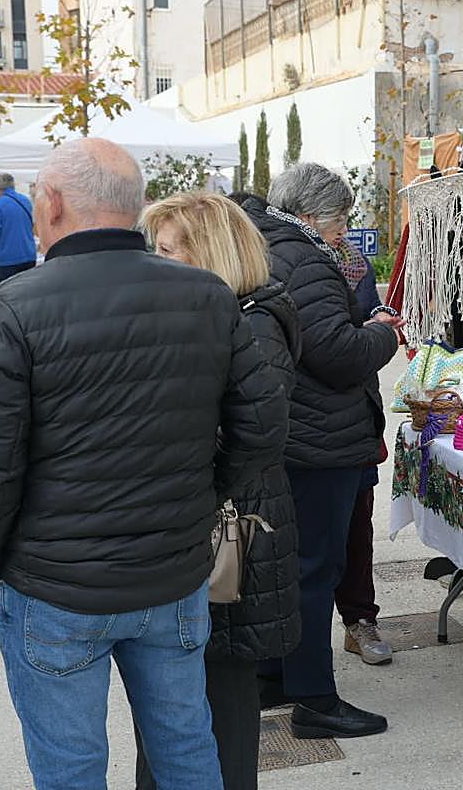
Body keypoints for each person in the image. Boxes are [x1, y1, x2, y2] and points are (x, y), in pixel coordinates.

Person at [0, 138, 284, 790]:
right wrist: (200, 500)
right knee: (186, 750)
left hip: (56, 586)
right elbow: (262, 430)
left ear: (51, 203)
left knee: (73, 770)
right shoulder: (208, 296)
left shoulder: (12, 307)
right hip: (166, 575)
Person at [137, 191, 301, 790]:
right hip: (218, 524)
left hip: (235, 532)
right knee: (177, 703)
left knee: (221, 703)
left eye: (166, 251)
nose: (154, 263)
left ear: (209, 255)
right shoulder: (211, 316)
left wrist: (193, 487)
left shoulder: (252, 323)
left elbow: (249, 435)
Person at [238, 163, 401, 739]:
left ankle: (276, 675)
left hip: (292, 433)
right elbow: (336, 353)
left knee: (286, 565)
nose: (344, 231)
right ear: (310, 215)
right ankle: (315, 699)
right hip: (319, 438)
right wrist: (383, 332)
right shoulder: (305, 257)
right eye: (341, 220)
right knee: (313, 570)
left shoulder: (263, 247)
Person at [330, 235, 393, 666]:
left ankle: (359, 621)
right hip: (306, 424)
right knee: (310, 545)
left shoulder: (355, 263)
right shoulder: (281, 259)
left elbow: (365, 327)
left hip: (356, 416)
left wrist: (378, 325)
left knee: (357, 527)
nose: (340, 230)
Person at [0, 172, 37, 286]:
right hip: (28, 253)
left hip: (8, 257)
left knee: (10, 292)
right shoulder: (25, 200)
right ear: (13, 185)